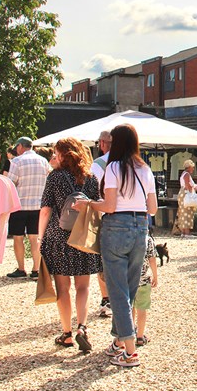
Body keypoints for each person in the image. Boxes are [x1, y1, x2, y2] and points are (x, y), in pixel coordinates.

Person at [73, 123, 157, 368]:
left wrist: (90, 203)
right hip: (140, 228)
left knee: (117, 292)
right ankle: (119, 342)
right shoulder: (145, 169)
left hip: (116, 228)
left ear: (116, 143)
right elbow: (152, 208)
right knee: (128, 291)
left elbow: (109, 206)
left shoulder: (113, 168)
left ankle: (130, 350)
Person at [38, 137, 103, 352]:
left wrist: (40, 237)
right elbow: (97, 206)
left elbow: (46, 209)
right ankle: (82, 327)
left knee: (62, 288)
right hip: (82, 236)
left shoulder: (54, 177)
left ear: (64, 154)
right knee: (83, 287)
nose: (54, 156)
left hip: (58, 237)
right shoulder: (91, 178)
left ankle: (66, 333)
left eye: (57, 153)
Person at [6, 136, 50, 278]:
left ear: (20, 147)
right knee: (35, 237)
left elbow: (10, 183)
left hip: (20, 205)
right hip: (38, 205)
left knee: (18, 238)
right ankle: (36, 269)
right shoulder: (43, 161)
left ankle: (21, 268)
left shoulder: (16, 161)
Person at [90, 130, 113, 317]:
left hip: (105, 214)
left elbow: (92, 191)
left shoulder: (98, 165)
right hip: (131, 216)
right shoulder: (135, 164)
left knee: (103, 260)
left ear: (103, 143)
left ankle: (106, 298)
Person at [132, 231, 158, 347]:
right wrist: (155, 276)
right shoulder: (148, 240)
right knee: (142, 309)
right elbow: (152, 259)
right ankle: (140, 336)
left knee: (130, 308)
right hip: (143, 280)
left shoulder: (126, 238)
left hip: (129, 280)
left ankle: (130, 332)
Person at [176, 160, 197, 237]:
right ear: (189, 167)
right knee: (187, 212)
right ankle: (187, 232)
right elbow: (187, 185)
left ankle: (183, 232)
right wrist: (194, 188)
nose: (193, 169)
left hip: (182, 193)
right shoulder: (187, 175)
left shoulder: (183, 174)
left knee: (183, 212)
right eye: (192, 167)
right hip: (186, 194)